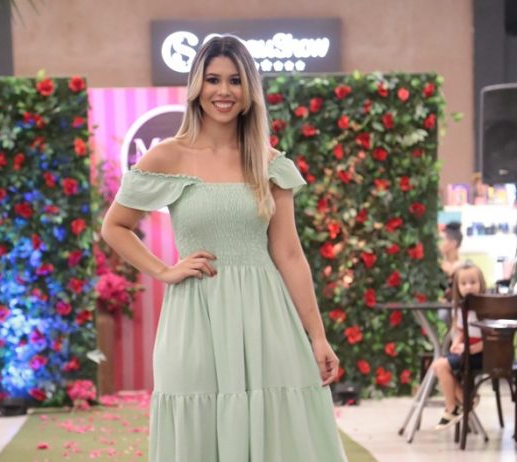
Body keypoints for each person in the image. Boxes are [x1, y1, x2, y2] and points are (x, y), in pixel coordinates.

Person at [101, 35, 348, 462]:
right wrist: (163, 270)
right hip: (195, 316)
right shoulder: (167, 157)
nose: (224, 91)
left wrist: (318, 336)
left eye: (235, 80)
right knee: (197, 429)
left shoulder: (269, 163)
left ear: (249, 90)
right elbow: (115, 227)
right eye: (213, 79)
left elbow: (289, 254)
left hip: (266, 317)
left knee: (276, 432)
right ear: (197, 86)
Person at [431, 262, 486, 431]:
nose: (468, 287)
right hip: (467, 352)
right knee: (437, 366)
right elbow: (461, 331)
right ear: (458, 287)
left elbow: (491, 337)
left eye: (473, 282)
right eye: (464, 283)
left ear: (481, 283)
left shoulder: (486, 308)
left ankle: (452, 408)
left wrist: (471, 349)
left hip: (481, 354)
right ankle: (466, 400)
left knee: (441, 365)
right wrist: (456, 343)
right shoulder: (461, 307)